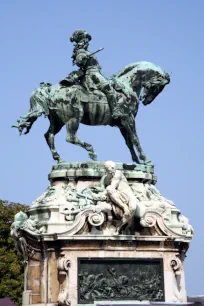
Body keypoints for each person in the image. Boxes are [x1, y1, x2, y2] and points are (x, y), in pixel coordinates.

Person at [60, 29, 134, 119]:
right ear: (82, 40)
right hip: (92, 75)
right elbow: (80, 62)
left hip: (96, 73)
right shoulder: (81, 51)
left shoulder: (86, 51)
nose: (88, 42)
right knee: (108, 87)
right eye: (86, 39)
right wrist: (82, 58)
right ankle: (115, 110)